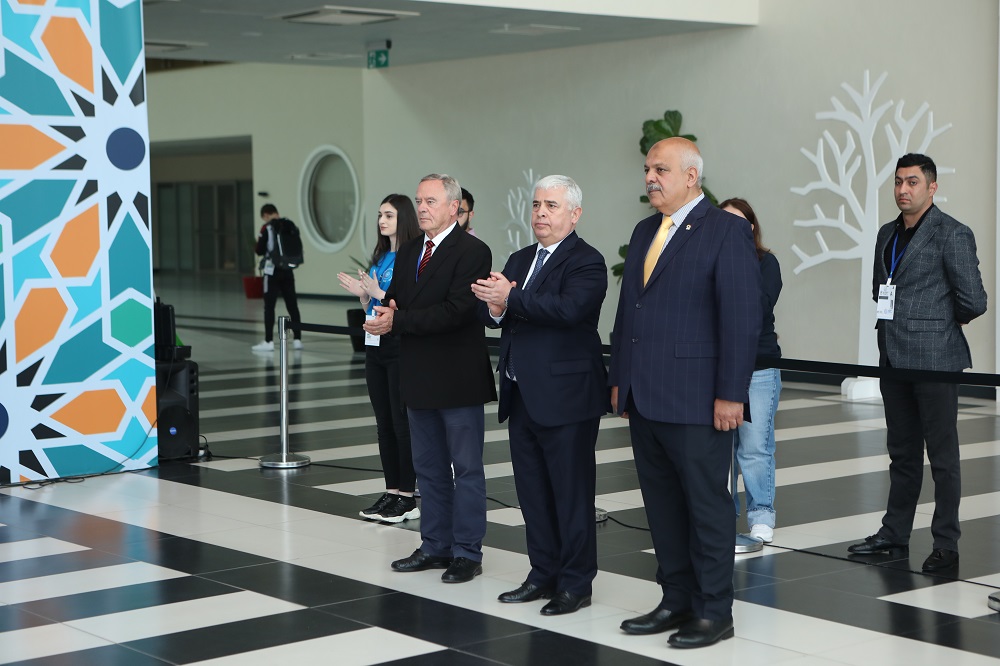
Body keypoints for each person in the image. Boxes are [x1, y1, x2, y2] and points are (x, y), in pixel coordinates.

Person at [609, 138, 760, 649]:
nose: (650, 177)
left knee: (706, 508)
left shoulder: (726, 230)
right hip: (645, 396)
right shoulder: (644, 230)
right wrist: (620, 379)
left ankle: (714, 611)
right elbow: (629, 311)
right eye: (647, 169)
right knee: (662, 507)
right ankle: (675, 599)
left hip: (698, 399)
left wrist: (731, 393)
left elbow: (740, 318)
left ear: (692, 176)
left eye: (661, 169)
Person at [472, 175, 608, 616]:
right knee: (532, 493)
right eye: (536, 205)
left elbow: (567, 311)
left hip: (567, 397)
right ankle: (542, 573)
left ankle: (576, 583)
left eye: (551, 205)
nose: (541, 213)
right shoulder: (520, 257)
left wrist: (511, 297)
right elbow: (499, 313)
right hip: (522, 394)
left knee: (571, 494)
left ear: (575, 214)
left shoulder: (587, 261)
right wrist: (495, 307)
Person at [848, 153, 987, 572]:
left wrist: (938, 323)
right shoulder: (887, 233)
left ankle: (946, 544)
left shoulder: (952, 233)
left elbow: (974, 300)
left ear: (932, 187)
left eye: (912, 182)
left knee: (942, 457)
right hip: (892, 356)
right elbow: (881, 288)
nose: (903, 190)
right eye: (898, 182)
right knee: (902, 453)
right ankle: (894, 533)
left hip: (935, 359)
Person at [364, 174, 496, 584]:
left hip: (457, 377)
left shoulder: (473, 251)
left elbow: (456, 311)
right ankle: (434, 544)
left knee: (466, 470)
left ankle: (467, 552)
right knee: (429, 468)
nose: (421, 208)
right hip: (418, 373)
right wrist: (386, 310)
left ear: (454, 208)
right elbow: (401, 300)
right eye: (419, 201)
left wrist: (398, 319)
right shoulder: (409, 252)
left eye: (430, 201)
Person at [337, 195, 421, 523]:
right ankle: (392, 490)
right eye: (380, 215)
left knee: (401, 423)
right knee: (383, 423)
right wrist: (364, 297)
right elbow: (372, 306)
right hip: (375, 345)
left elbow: (409, 304)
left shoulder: (412, 257)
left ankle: (407, 497)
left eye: (389, 215)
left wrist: (378, 293)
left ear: (404, 218)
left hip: (399, 344)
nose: (382, 221)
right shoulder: (382, 256)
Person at [719, 198, 782, 549]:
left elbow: (757, 307)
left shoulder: (765, 262)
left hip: (759, 367)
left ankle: (761, 516)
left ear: (752, 227)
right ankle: (722, 516)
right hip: (718, 367)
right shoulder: (710, 260)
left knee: (755, 447)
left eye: (738, 222)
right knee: (720, 450)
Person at [252, 203, 303, 352]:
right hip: (288, 270)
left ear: (266, 215)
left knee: (269, 307)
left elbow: (259, 250)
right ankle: (298, 340)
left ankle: (268, 341)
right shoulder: (289, 224)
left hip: (272, 271)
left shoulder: (267, 228)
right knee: (292, 305)